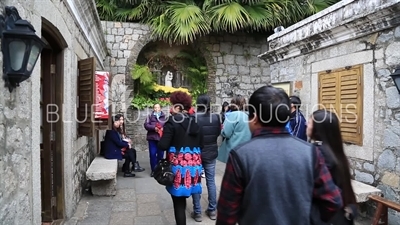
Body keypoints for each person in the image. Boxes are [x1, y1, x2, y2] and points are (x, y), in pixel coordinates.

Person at [216, 86, 343, 225]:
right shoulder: (311, 153)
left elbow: (226, 213)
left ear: (255, 118)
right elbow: (333, 201)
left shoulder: (240, 156)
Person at [158, 91, 204, 225]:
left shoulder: (172, 122)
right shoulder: (195, 122)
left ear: (178, 107)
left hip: (178, 167)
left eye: (173, 105)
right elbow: (201, 144)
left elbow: (163, 145)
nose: (171, 108)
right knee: (184, 198)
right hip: (194, 167)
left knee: (178, 203)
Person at [308, 109, 358, 225]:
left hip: (328, 217)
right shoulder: (335, 151)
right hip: (341, 215)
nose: (307, 125)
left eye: (310, 123)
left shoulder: (319, 153)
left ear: (317, 129)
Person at [191, 94, 221, 222]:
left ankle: (197, 212)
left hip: (197, 153)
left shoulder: (194, 118)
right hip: (211, 151)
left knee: (196, 181)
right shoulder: (216, 117)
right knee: (211, 181)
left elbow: (191, 134)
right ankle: (212, 210)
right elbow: (218, 132)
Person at [217, 95, 251, 163]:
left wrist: (221, 130)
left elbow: (226, 133)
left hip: (234, 150)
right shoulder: (249, 115)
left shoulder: (233, 115)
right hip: (246, 151)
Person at [144, 103, 166, 177]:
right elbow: (146, 125)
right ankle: (153, 170)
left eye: (158, 107)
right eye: (155, 107)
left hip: (161, 138)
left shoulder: (164, 117)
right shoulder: (149, 116)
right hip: (152, 138)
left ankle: (159, 170)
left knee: (160, 155)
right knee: (152, 154)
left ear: (160, 108)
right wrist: (154, 128)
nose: (156, 109)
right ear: (153, 108)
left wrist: (163, 129)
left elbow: (167, 126)